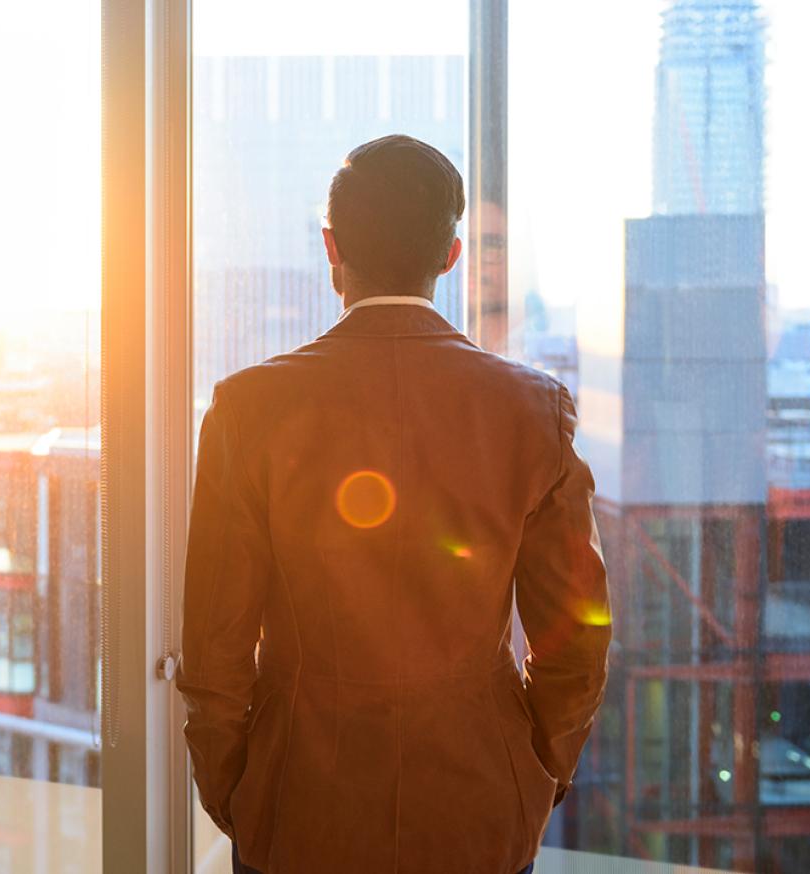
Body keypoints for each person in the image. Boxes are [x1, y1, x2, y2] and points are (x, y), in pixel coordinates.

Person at [177, 134, 611, 874]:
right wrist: (535, 770)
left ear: (331, 246)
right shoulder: (533, 410)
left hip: (298, 810)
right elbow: (578, 641)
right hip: (479, 813)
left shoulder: (248, 409)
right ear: (450, 256)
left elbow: (215, 651)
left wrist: (236, 790)